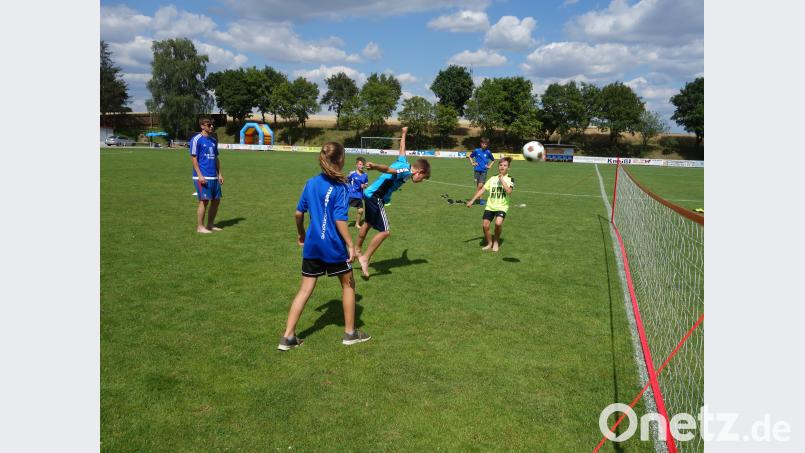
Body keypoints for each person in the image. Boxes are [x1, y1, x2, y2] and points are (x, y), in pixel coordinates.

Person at [278, 142, 371, 351]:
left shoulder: (310, 183)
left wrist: (301, 233)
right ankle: (350, 333)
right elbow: (339, 220)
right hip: (333, 246)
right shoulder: (341, 187)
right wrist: (350, 245)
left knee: (305, 289)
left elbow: (298, 213)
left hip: (312, 245)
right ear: (339, 159)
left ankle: (288, 337)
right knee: (348, 285)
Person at [355, 127, 431, 278]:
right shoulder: (406, 171)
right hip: (376, 197)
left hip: (369, 194)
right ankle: (364, 258)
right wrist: (376, 166)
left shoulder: (403, 161)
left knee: (368, 223)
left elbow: (402, 149)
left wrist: (403, 133)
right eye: (421, 178)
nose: (419, 181)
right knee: (385, 231)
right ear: (419, 172)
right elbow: (389, 170)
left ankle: (355, 249)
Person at [466, 156, 515, 252]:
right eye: (500, 165)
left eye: (505, 165)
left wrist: (502, 180)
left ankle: (496, 242)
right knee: (485, 225)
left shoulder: (511, 179)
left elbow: (509, 191)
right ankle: (489, 243)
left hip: (502, 206)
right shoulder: (492, 178)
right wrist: (472, 200)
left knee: (498, 223)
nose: (502, 167)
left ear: (508, 168)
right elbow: (482, 190)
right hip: (490, 206)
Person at [190, 118, 224, 234]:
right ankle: (200, 227)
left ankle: (210, 224)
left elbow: (216, 158)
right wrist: (200, 175)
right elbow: (193, 158)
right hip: (202, 176)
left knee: (216, 200)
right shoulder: (196, 140)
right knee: (204, 201)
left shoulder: (214, 140)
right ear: (202, 126)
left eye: (212, 124)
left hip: (213, 176)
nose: (211, 127)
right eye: (209, 125)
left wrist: (219, 174)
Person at [468, 137, 495, 205]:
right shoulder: (477, 150)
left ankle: (474, 199)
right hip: (476, 170)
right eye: (483, 144)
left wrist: (489, 166)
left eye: (485, 144)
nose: (484, 145)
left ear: (487, 145)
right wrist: (472, 163)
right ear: (481, 144)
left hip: (484, 171)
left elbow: (493, 160)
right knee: (478, 186)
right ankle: (481, 200)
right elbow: (470, 156)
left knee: (480, 186)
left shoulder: (488, 152)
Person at [346, 157, 370, 228]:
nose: (361, 166)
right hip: (351, 194)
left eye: (363, 164)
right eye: (360, 164)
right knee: (345, 209)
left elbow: (366, 184)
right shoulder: (352, 173)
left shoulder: (365, 175)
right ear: (356, 165)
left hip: (359, 195)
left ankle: (357, 224)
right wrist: (348, 187)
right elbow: (346, 180)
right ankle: (342, 223)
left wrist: (364, 186)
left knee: (361, 210)